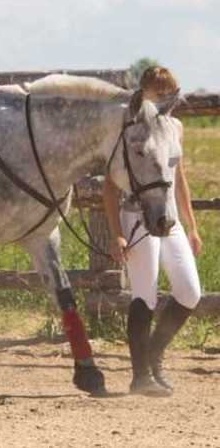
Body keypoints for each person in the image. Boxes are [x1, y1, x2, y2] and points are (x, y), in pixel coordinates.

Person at [103, 66, 202, 396]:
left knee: (189, 292)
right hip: (137, 216)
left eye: (171, 93)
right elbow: (110, 189)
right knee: (144, 294)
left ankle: (155, 354)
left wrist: (192, 226)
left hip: (169, 219)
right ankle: (140, 375)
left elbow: (180, 179)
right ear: (144, 95)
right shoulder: (130, 130)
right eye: (160, 94)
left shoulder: (175, 127)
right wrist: (117, 232)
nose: (168, 100)